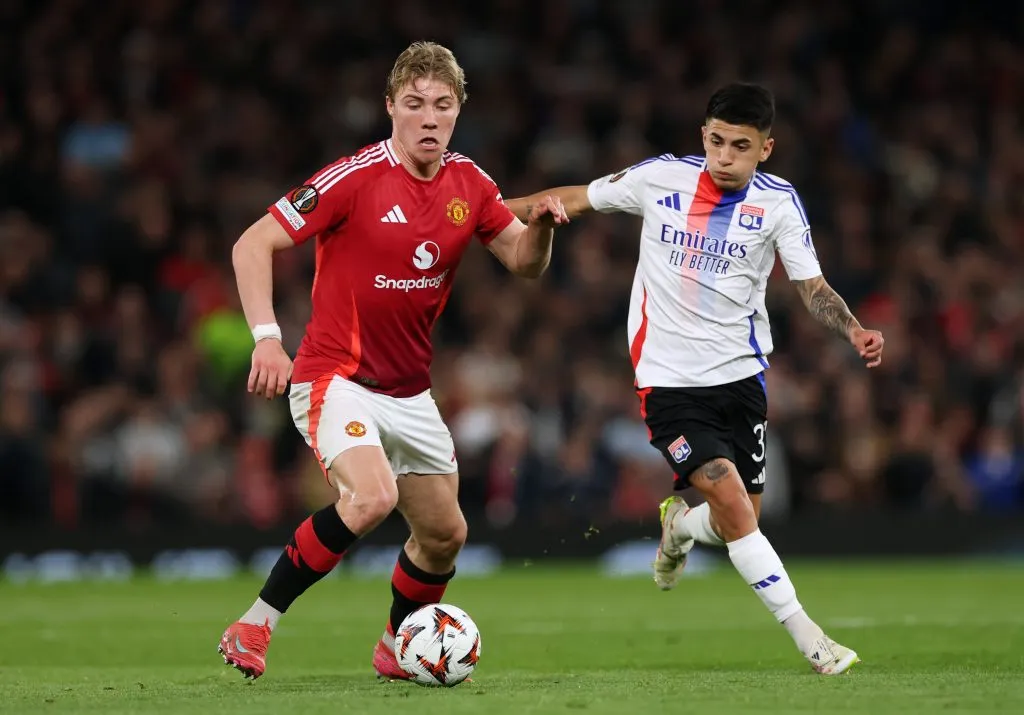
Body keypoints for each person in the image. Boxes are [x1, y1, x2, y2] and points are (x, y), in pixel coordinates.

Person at [218, 41, 568, 680]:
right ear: (390, 107)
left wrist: (541, 226)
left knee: (445, 535)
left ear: (459, 110)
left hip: (409, 392)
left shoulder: (471, 184)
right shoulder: (352, 179)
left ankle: (395, 646)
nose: (429, 118)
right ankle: (254, 623)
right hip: (336, 378)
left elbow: (524, 263)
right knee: (372, 497)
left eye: (443, 105)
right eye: (415, 103)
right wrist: (266, 337)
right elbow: (252, 243)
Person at [506, 83, 883, 675]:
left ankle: (679, 526)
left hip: (741, 379)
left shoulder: (779, 204)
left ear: (766, 149)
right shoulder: (661, 179)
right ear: (702, 136)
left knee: (741, 518)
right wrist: (471, 215)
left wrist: (854, 329)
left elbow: (811, 287)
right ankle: (812, 639)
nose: (725, 157)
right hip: (668, 381)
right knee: (729, 498)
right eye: (716, 141)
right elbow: (573, 198)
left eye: (741, 146)